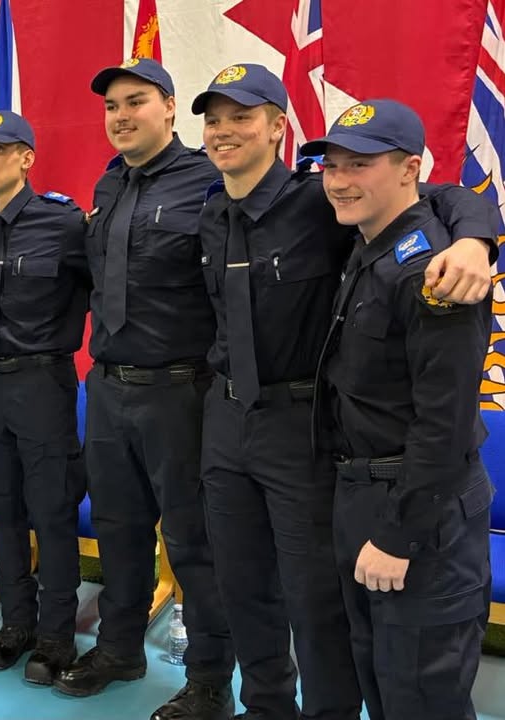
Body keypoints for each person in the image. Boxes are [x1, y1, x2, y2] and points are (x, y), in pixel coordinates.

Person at [193, 64, 497, 720]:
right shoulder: (214, 209)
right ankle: (266, 707)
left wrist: (478, 240)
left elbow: (441, 196)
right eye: (333, 164)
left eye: (241, 117)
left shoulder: (336, 215)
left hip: (309, 434)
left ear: (276, 127)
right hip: (237, 422)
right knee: (248, 587)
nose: (341, 177)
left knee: (331, 616)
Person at [52, 58, 236, 720]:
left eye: (135, 102)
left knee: (193, 543)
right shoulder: (109, 184)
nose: (121, 115)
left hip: (179, 394)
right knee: (119, 530)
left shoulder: (208, 180)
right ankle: (119, 650)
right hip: (108, 389)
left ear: (169, 107)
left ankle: (209, 680)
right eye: (111, 106)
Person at [308, 99, 493, 720]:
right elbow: (447, 193)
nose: (339, 180)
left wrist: (399, 534)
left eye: (359, 164)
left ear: (409, 168)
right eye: (332, 165)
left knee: (421, 693)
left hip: (419, 510)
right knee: (381, 682)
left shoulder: (433, 270)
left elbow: (444, 424)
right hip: (362, 493)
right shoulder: (370, 243)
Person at [0, 110, 89, 684]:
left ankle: (56, 636)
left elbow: (103, 289)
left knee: (52, 511)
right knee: (1, 506)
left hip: (42, 383)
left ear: (27, 158)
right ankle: (16, 624)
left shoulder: (65, 223)